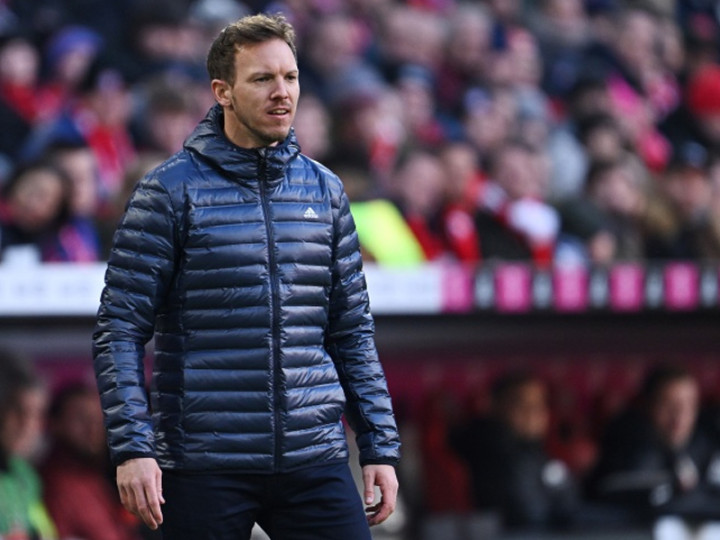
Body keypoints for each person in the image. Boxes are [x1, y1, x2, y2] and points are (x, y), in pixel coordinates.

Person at [92, 12, 401, 540]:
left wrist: (379, 446)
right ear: (223, 92)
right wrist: (133, 448)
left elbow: (351, 331)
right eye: (262, 79)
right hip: (204, 461)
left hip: (313, 455)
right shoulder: (168, 191)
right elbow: (118, 328)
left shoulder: (325, 191)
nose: (282, 92)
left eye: (290, 77)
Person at [586, 364, 720, 528]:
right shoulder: (631, 447)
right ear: (647, 405)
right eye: (668, 405)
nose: (679, 416)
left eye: (688, 405)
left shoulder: (702, 443)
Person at [449, 370, 579, 532]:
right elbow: (529, 513)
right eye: (521, 404)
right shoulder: (491, 448)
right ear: (494, 406)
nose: (534, 412)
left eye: (539, 404)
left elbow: (569, 502)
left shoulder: (533, 448)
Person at [40, 382, 142, 540]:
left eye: (98, 419)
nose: (93, 428)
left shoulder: (97, 475)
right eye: (81, 419)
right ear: (55, 424)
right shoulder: (54, 483)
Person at [0, 348, 57, 539]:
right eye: (17, 410)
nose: (27, 425)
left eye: (36, 414)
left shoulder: (26, 476)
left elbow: (45, 534)